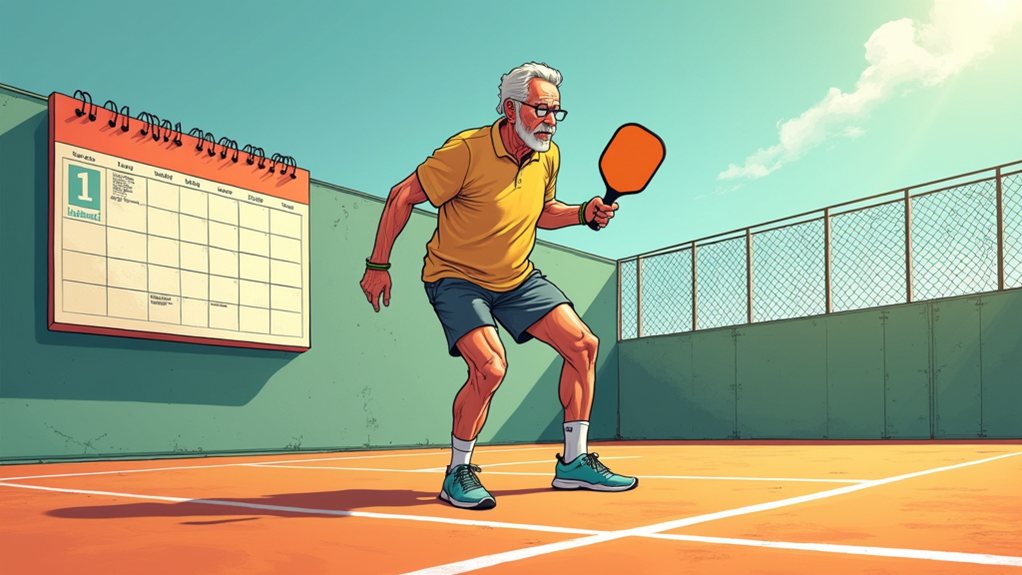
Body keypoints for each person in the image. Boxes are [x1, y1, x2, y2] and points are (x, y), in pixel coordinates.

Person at [359, 62, 637, 510]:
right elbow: (403, 194)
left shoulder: (548, 156)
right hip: (456, 277)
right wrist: (378, 264)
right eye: (541, 109)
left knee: (583, 345)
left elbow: (542, 212)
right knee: (489, 367)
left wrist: (583, 213)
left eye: (556, 112)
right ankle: (458, 471)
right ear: (510, 109)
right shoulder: (466, 151)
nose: (550, 120)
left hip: (516, 277)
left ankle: (573, 462)